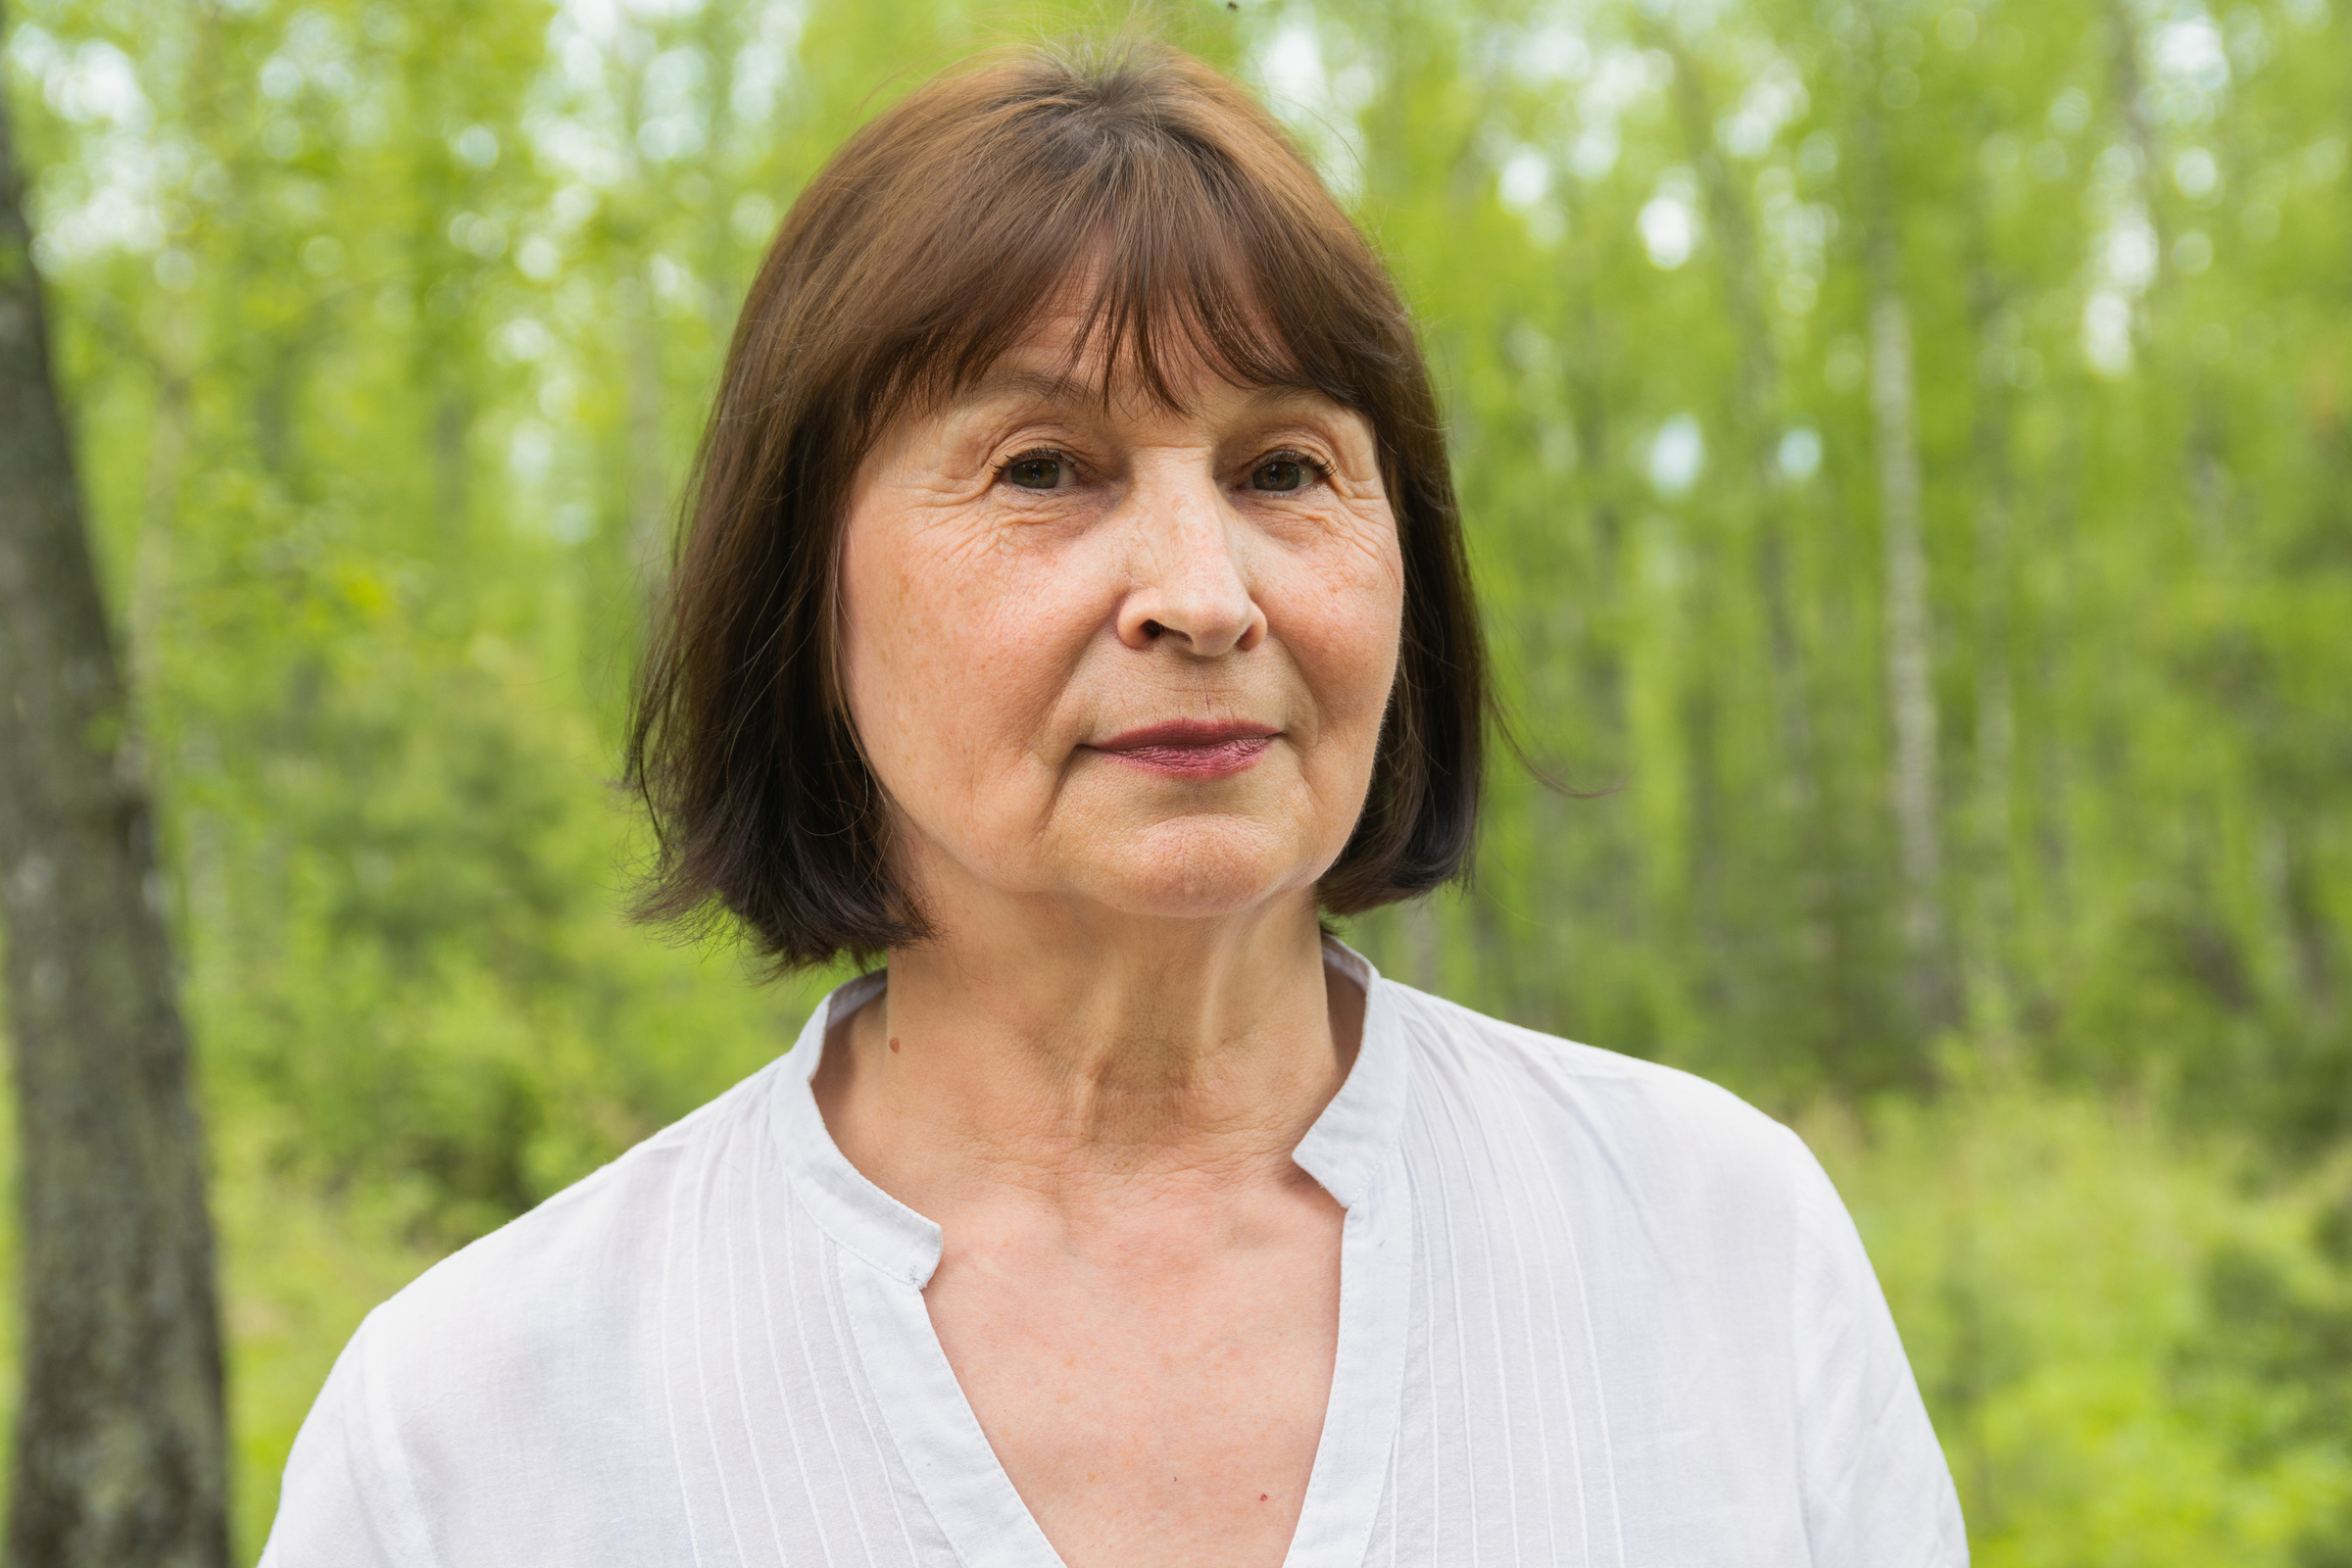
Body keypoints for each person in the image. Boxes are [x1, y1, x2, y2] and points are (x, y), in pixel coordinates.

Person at [262, 39, 1966, 1568]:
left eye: (1284, 469)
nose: (1200, 593)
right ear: (808, 593)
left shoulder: (1716, 1249)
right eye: (1045, 470)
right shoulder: (480, 1427)